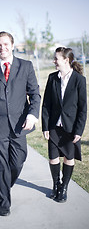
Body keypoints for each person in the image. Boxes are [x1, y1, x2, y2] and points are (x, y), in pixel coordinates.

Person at [0, 31, 41, 216]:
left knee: (19, 159)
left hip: (20, 124)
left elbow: (34, 95)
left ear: (12, 45)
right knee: (1, 164)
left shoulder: (26, 66)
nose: (2, 48)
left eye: (5, 44)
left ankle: (4, 184)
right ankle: (4, 202)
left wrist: (32, 115)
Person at [42, 47, 87, 203]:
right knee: (53, 157)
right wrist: (45, 127)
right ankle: (56, 185)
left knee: (69, 157)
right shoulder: (52, 78)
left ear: (66, 60)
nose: (54, 61)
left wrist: (79, 131)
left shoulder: (79, 80)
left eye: (56, 58)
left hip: (71, 127)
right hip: (54, 126)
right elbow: (46, 104)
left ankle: (64, 187)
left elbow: (83, 108)